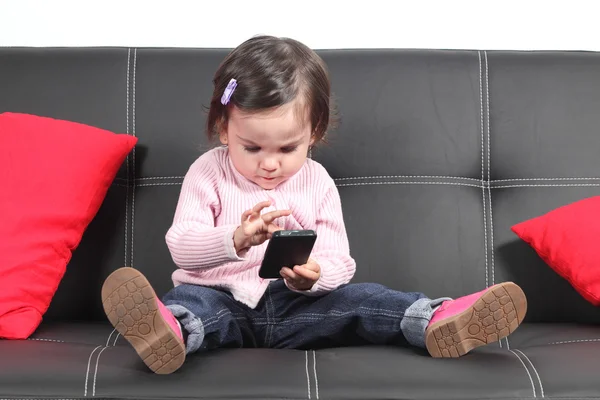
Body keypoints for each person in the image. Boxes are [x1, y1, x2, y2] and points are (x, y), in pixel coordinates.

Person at [101, 35, 527, 374]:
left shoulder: (316, 180)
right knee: (195, 308)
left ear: (315, 133)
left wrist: (314, 276)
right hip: (222, 300)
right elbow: (183, 246)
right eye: (251, 147)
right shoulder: (208, 172)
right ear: (222, 128)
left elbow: (341, 259)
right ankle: (169, 332)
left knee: (366, 299)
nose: (270, 164)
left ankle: (434, 320)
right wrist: (236, 239)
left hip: (296, 308)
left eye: (288, 147)